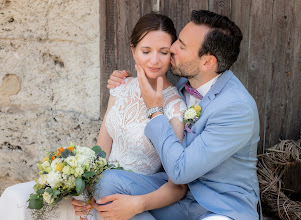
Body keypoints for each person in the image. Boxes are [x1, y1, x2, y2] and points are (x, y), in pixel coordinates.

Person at [0, 13, 188, 220]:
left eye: (163, 52)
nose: (154, 60)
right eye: (146, 51)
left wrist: (134, 204)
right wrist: (85, 195)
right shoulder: (121, 87)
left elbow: (177, 185)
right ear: (133, 51)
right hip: (104, 193)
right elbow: (101, 153)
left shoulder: (175, 107)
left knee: (111, 188)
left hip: (138, 192)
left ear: (171, 55)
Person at [106, 10, 261, 220]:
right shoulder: (182, 87)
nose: (172, 49)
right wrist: (122, 82)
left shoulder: (237, 108)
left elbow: (180, 171)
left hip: (219, 207)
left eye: (181, 45)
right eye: (177, 40)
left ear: (207, 63)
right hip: (177, 198)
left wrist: (155, 110)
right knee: (109, 183)